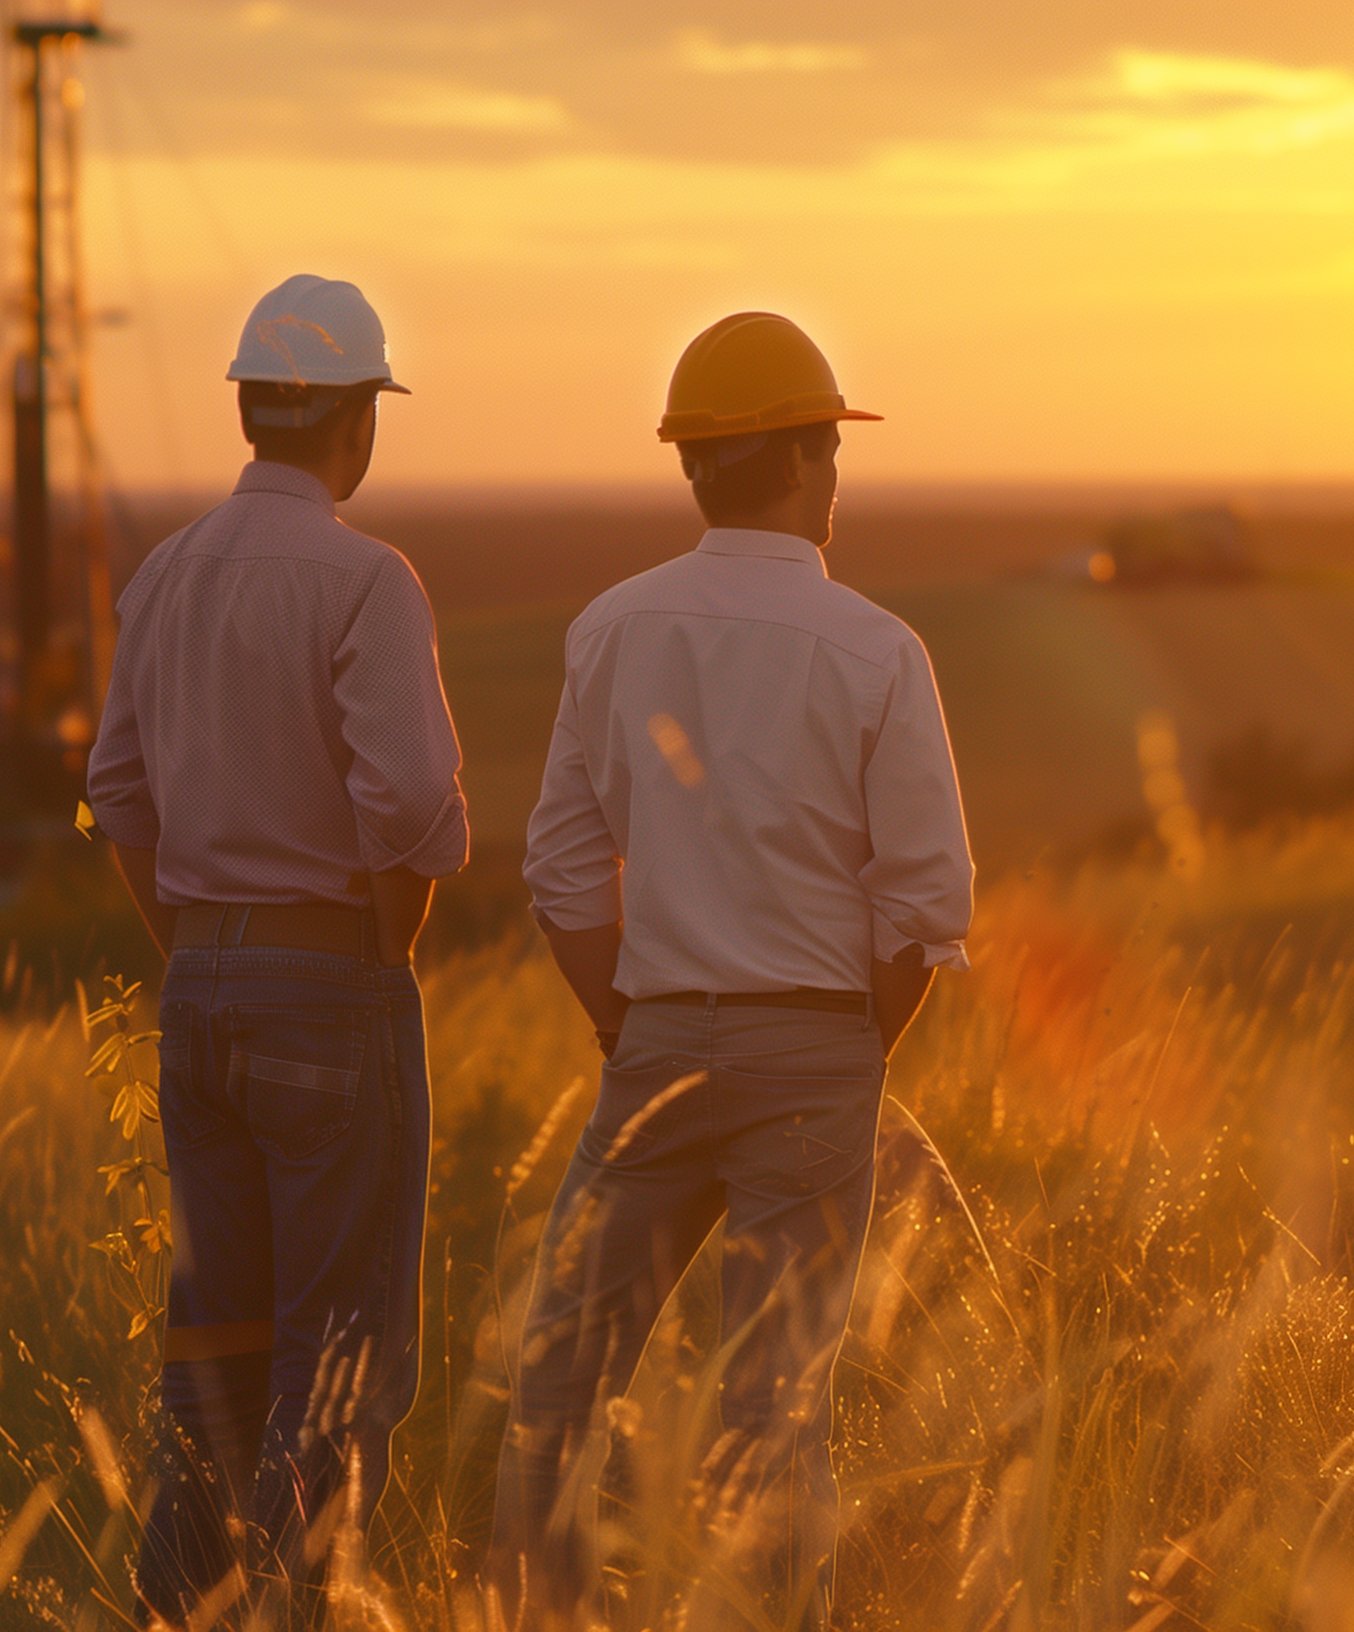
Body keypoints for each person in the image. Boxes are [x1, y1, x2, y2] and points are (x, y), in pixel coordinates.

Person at [490, 311, 972, 1631]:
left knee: (556, 1390)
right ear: (815, 459)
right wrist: (855, 1047)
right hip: (819, 1047)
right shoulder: (880, 651)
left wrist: (622, 1026)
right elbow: (925, 901)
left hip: (652, 1043)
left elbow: (561, 868)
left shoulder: (610, 629)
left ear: (692, 466)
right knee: (775, 1413)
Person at [87, 274, 466, 1629]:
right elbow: (414, 805)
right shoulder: (368, 580)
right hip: (331, 981)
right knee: (332, 1363)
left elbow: (116, 798)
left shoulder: (165, 576)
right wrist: (384, 939)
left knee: (211, 1365)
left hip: (199, 986)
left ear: (251, 407)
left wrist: (198, 946)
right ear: (355, 421)